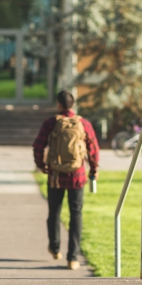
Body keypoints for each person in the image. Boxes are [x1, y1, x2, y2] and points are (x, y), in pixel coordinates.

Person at [32, 90, 100, 270]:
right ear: (73, 104)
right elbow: (93, 148)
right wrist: (94, 169)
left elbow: (38, 146)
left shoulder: (51, 123)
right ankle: (73, 258)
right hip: (77, 175)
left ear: (59, 105)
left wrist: (42, 165)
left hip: (55, 175)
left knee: (54, 212)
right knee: (75, 214)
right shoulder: (83, 123)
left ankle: (55, 248)